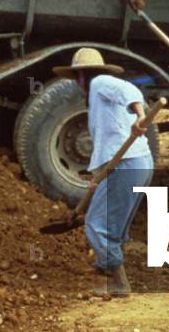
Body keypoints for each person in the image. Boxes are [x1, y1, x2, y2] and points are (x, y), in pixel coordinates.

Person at [53, 48, 152, 296]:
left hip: (128, 163)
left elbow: (130, 91)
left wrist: (141, 116)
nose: (77, 83)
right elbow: (109, 142)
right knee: (114, 222)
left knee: (97, 224)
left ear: (82, 76)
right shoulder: (99, 97)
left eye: (77, 76)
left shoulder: (99, 82)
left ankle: (119, 283)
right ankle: (105, 266)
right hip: (137, 162)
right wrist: (98, 177)